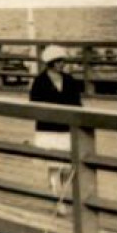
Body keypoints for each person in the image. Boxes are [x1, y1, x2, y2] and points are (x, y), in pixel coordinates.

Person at [30, 45, 84, 202]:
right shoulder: (40, 81)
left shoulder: (69, 80)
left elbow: (77, 103)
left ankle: (60, 192)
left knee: (67, 166)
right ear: (51, 63)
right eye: (59, 61)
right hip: (48, 129)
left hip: (67, 128)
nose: (62, 64)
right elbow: (34, 104)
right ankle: (57, 196)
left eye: (63, 61)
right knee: (54, 165)